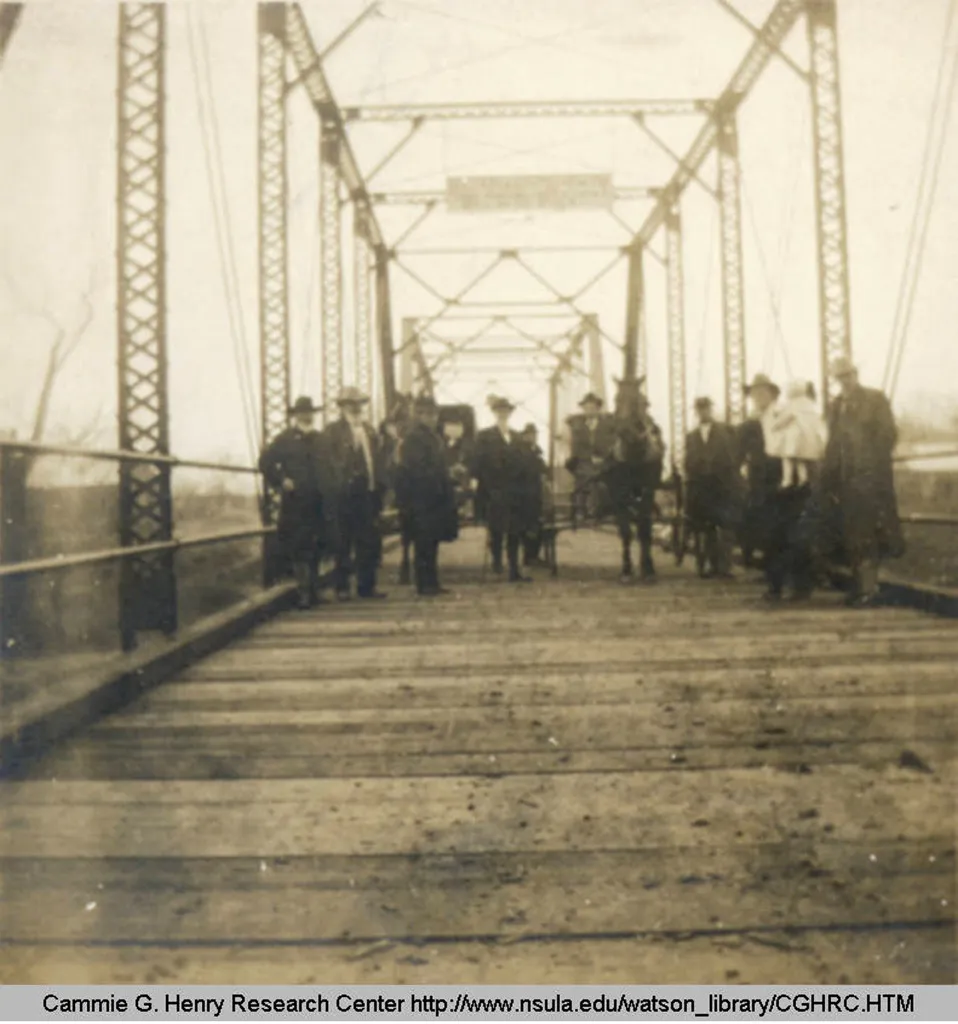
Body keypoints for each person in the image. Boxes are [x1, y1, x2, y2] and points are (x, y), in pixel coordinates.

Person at [821, 356, 904, 607]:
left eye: (847, 375)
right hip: (845, 482)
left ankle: (869, 589)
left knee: (870, 533)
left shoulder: (874, 399)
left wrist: (870, 462)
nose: (844, 381)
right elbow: (832, 443)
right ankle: (860, 587)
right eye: (839, 377)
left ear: (855, 374)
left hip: (870, 480)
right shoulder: (836, 406)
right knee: (851, 534)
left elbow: (888, 433)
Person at [258, 396, 327, 610]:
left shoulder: (320, 438)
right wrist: (281, 480)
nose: (307, 416)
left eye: (309, 412)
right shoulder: (285, 439)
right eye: (302, 412)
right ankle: (304, 591)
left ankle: (314, 590)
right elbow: (265, 463)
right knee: (298, 544)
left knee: (317, 543)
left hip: (319, 498)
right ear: (296, 415)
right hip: (296, 499)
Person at [763, 379, 827, 602]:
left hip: (789, 488)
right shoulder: (809, 410)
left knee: (793, 537)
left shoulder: (786, 410)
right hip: (788, 485)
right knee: (787, 537)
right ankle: (784, 586)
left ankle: (791, 586)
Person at [322, 386, 387, 601]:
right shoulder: (332, 431)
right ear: (342, 407)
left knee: (368, 541)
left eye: (358, 403)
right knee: (343, 542)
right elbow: (327, 463)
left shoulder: (369, 430)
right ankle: (342, 587)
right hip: (344, 495)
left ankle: (366, 587)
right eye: (351, 404)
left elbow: (377, 459)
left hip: (368, 493)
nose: (356, 407)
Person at [396, 394, 459, 597]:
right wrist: (444, 474)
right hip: (422, 499)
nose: (433, 418)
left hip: (433, 498)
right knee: (424, 541)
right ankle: (425, 584)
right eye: (428, 414)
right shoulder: (415, 437)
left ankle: (431, 581)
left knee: (431, 541)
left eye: (434, 414)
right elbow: (417, 468)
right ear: (419, 415)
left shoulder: (431, 436)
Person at [471, 395, 530, 582]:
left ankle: (514, 568)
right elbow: (478, 462)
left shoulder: (517, 436)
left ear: (510, 413)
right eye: (499, 411)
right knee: (496, 528)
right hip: (494, 489)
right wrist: (481, 485)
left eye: (506, 410)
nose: (503, 413)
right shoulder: (484, 436)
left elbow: (524, 461)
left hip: (515, 490)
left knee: (514, 530)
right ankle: (497, 561)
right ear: (494, 413)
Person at [684, 397, 739, 578]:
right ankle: (712, 565)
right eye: (700, 409)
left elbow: (733, 457)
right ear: (696, 411)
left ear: (711, 409)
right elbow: (688, 461)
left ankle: (726, 566)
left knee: (726, 526)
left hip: (721, 485)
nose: (703, 412)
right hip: (702, 487)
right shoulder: (691, 437)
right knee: (707, 528)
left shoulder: (725, 431)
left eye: (706, 408)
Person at [737, 373, 783, 568]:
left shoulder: (782, 416)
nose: (758, 396)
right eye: (755, 393)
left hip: (780, 475)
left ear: (772, 394)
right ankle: (769, 569)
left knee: (779, 521)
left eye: (763, 392)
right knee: (761, 520)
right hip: (758, 478)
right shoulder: (749, 424)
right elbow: (738, 451)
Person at [564, 392, 615, 521]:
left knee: (606, 481)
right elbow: (575, 447)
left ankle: (604, 509)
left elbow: (611, 443)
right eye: (586, 408)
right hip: (584, 462)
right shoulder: (578, 426)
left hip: (604, 462)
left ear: (598, 409)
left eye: (592, 408)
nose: (589, 411)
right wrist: (588, 457)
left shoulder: (607, 425)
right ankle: (581, 509)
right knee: (583, 478)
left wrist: (603, 457)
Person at [517, 423, 548, 566]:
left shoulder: (536, 451)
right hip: (524, 494)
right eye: (529, 435)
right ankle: (529, 557)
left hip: (535, 493)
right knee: (528, 525)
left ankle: (533, 555)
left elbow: (543, 467)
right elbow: (531, 468)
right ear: (524, 436)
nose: (532, 437)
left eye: (534, 435)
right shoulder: (522, 451)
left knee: (537, 524)